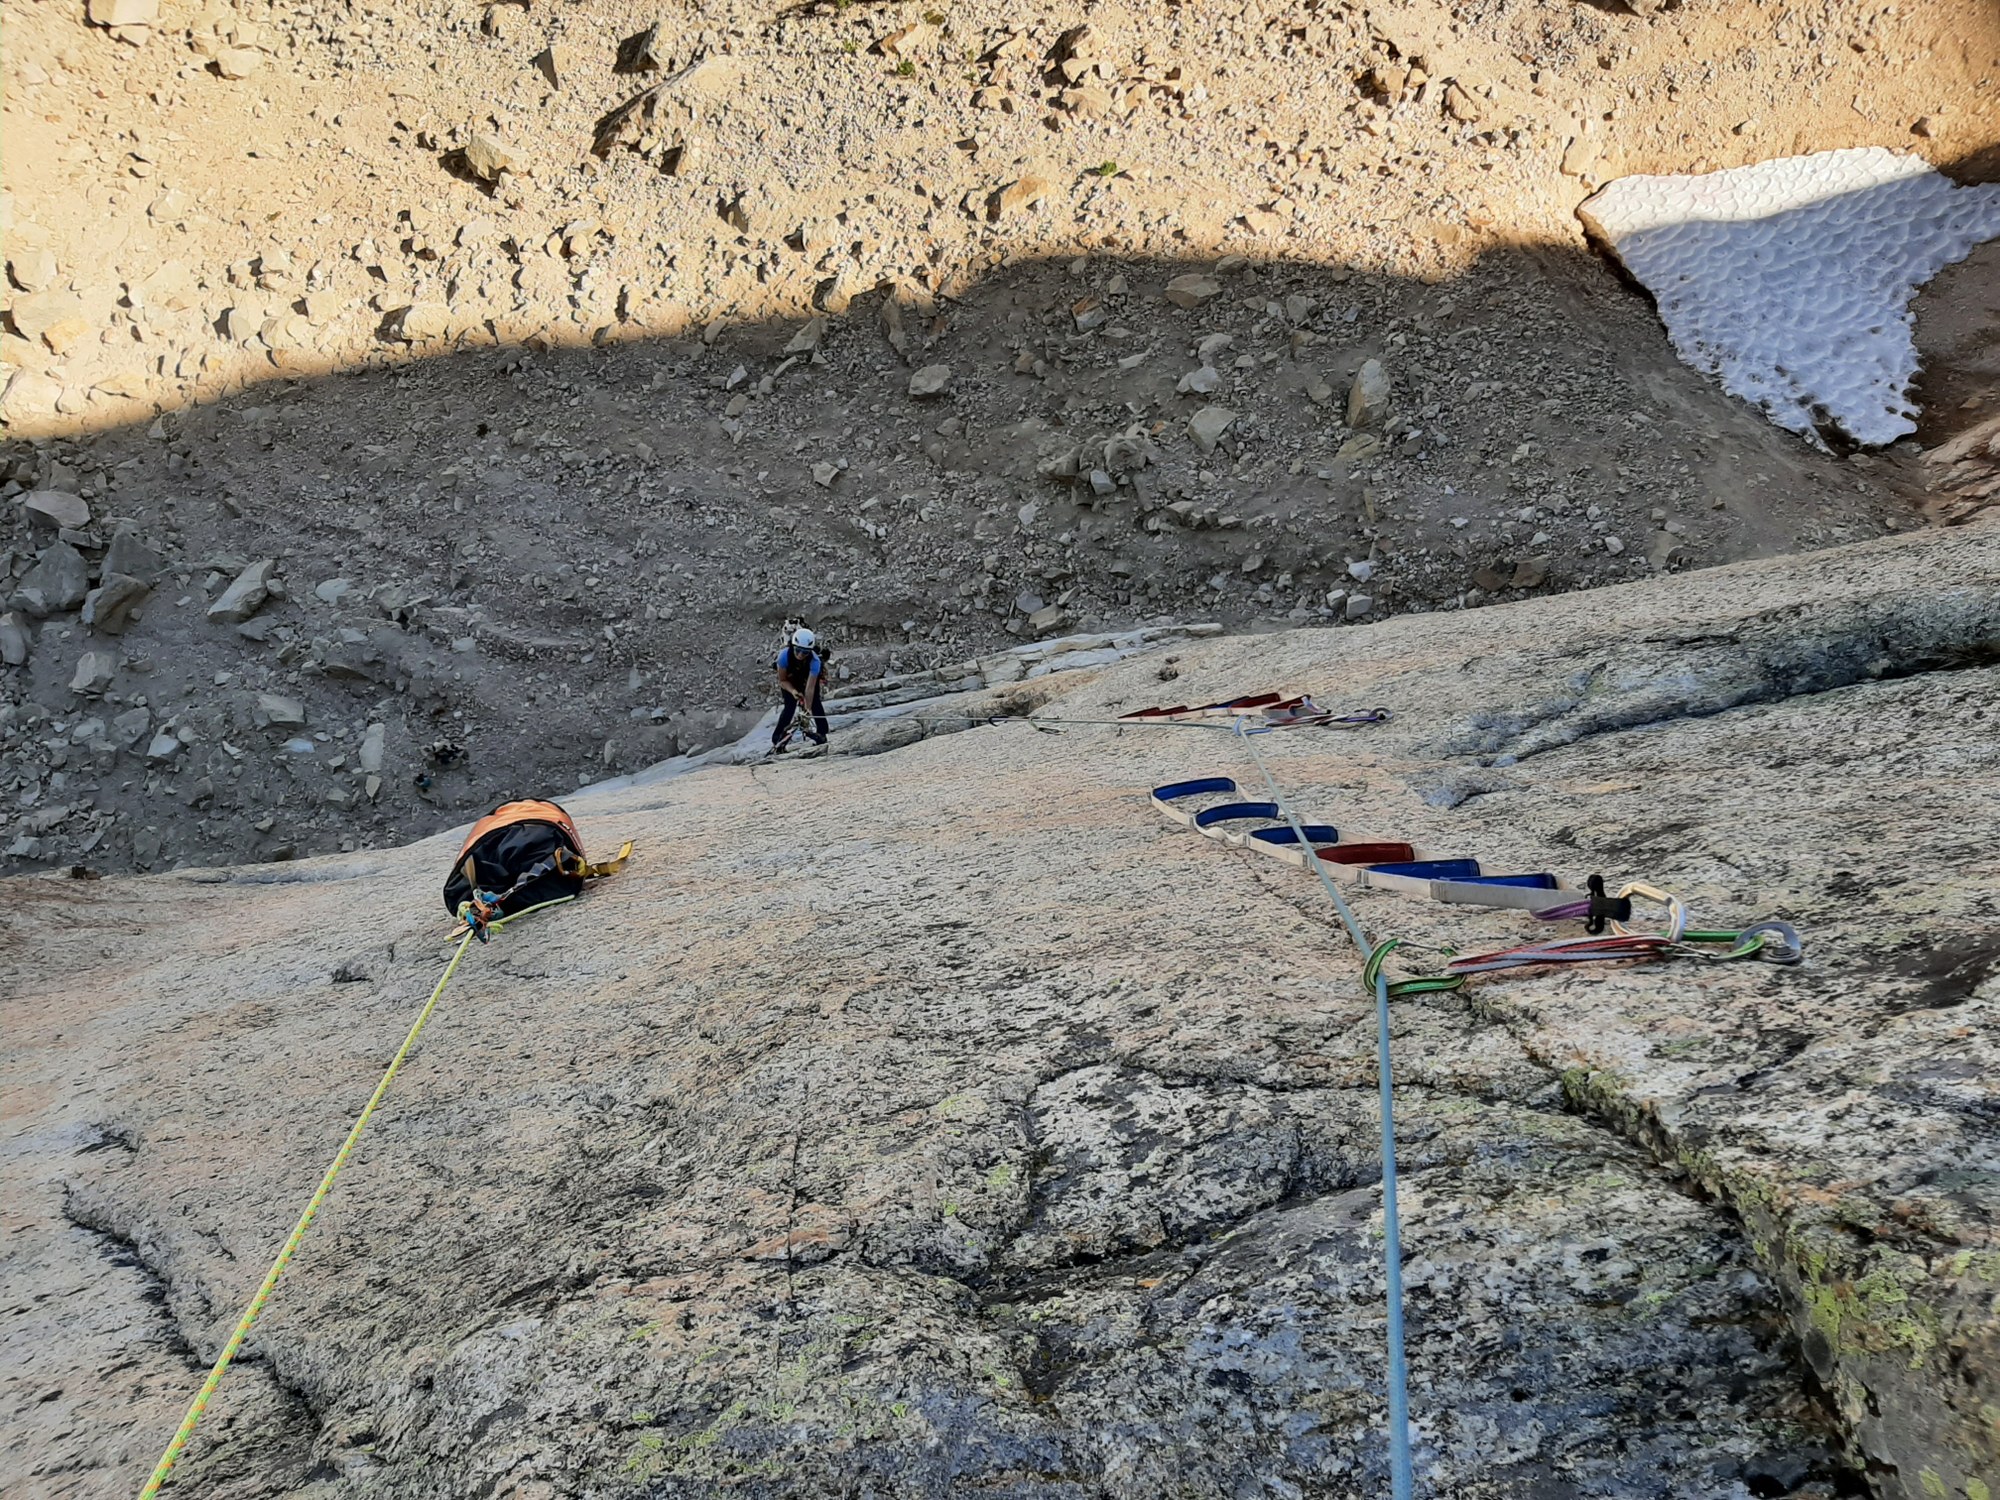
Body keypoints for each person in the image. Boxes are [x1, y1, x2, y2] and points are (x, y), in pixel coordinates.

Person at [772, 626, 829, 752]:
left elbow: (810, 688)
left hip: (806, 680)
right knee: (789, 707)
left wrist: (807, 710)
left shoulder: (814, 661)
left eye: (805, 652)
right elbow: (782, 680)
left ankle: (822, 733)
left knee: (815, 704)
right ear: (793, 646)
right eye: (798, 650)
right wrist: (793, 691)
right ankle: (777, 738)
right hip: (790, 681)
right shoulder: (784, 657)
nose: (800, 655)